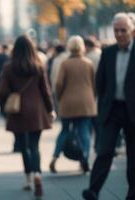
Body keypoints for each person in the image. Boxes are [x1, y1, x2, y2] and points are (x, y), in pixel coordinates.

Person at [83, 13, 135, 200]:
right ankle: (93, 190)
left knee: (133, 158)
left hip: (133, 111)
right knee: (104, 151)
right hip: (112, 110)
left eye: (123, 30)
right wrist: (104, 102)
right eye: (116, 31)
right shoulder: (108, 52)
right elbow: (100, 82)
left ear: (133, 31)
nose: (119, 34)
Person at [0, 35, 53, 199]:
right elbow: (46, 90)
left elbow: (1, 91)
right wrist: (50, 109)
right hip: (37, 110)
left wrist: (7, 101)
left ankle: (28, 178)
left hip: (18, 111)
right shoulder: (38, 65)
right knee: (35, 146)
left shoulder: (9, 67)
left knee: (23, 146)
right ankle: (38, 174)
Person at [49, 36, 97, 173]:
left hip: (67, 102)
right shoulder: (88, 63)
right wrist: (92, 96)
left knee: (64, 130)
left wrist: (59, 97)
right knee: (84, 132)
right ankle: (85, 159)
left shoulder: (65, 64)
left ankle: (55, 156)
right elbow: (94, 83)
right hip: (86, 102)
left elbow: (58, 84)